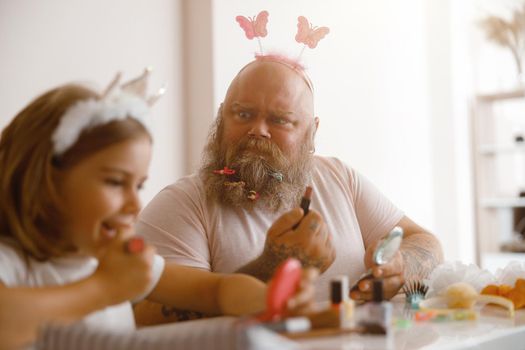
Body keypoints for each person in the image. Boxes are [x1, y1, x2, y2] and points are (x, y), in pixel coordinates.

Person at [0, 71, 316, 349]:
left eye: (138, 186)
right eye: (114, 182)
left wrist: (268, 298)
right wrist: (103, 288)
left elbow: (216, 291)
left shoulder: (113, 259)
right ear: (46, 178)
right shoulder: (12, 262)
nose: (134, 203)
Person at [136, 55, 443, 309]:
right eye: (242, 114)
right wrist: (271, 268)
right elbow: (150, 321)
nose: (258, 130)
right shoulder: (180, 206)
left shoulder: (339, 178)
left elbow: (426, 242)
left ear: (312, 131)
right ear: (220, 119)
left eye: (280, 120)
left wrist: (401, 266)